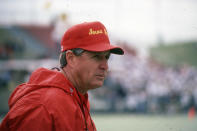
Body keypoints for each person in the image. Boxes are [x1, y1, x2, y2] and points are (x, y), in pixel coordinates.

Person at [0, 21, 124, 131]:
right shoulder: (44, 105)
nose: (105, 66)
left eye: (107, 57)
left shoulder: (76, 96)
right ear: (71, 58)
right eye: (96, 57)